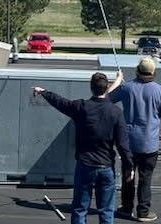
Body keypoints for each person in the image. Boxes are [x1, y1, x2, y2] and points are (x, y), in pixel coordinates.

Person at [32, 72, 134, 224]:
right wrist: (129, 167)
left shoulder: (82, 107)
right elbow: (123, 145)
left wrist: (43, 92)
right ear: (106, 88)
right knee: (106, 210)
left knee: (80, 209)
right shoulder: (115, 112)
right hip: (106, 167)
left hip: (85, 165)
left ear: (91, 88)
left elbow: (61, 103)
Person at [107, 59, 161, 222]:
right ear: (153, 73)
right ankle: (143, 211)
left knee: (128, 175)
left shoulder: (127, 87)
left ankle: (126, 207)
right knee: (146, 177)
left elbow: (106, 99)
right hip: (149, 142)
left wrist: (118, 80)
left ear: (137, 70)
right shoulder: (159, 90)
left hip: (129, 141)